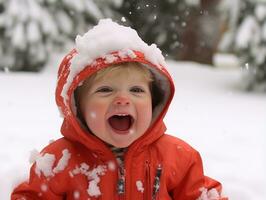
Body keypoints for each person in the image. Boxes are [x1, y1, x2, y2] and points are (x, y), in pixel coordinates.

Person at [11, 19, 227, 200]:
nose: (123, 99)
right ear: (78, 107)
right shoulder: (60, 161)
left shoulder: (177, 157)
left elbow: (202, 194)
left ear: (153, 101)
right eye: (105, 90)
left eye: (136, 90)